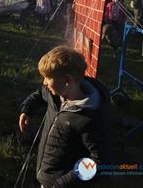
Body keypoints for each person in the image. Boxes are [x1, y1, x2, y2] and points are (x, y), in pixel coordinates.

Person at [19, 46, 111, 187]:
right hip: (46, 173)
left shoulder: (90, 118)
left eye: (47, 78)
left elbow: (99, 162)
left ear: (67, 80)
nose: (44, 82)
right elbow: (40, 93)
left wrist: (62, 184)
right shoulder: (55, 94)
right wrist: (27, 109)